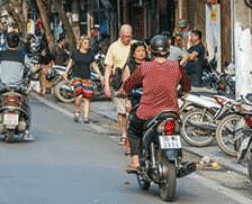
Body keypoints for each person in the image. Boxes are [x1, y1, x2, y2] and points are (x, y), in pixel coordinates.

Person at [121, 34, 191, 172]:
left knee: (133, 129)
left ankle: (135, 161)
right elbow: (187, 84)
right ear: (167, 50)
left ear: (151, 51)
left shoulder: (145, 67)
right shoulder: (176, 66)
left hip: (148, 112)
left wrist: (124, 91)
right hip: (170, 113)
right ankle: (178, 159)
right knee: (174, 132)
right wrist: (183, 92)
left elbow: (129, 83)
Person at [0, 32, 36, 140]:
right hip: (19, 88)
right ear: (18, 43)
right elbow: (31, 68)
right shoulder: (22, 55)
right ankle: (27, 132)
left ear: (7, 42)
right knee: (26, 104)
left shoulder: (2, 54)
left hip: (3, 87)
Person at [62, 35, 106, 124]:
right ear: (81, 43)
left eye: (88, 43)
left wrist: (100, 75)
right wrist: (66, 72)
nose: (87, 44)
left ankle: (86, 117)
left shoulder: (90, 54)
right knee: (79, 95)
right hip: (76, 76)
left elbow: (94, 65)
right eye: (85, 43)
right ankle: (77, 111)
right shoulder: (75, 52)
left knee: (87, 97)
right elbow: (70, 63)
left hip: (87, 77)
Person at [103, 24, 134, 143]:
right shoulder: (113, 47)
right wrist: (106, 85)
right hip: (119, 82)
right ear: (120, 34)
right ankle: (124, 134)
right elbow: (108, 67)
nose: (127, 39)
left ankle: (133, 133)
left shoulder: (135, 45)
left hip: (134, 82)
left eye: (129, 36)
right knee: (121, 111)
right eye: (125, 36)